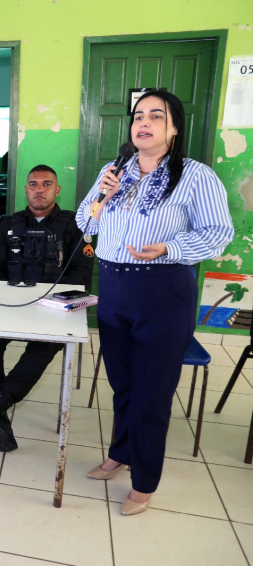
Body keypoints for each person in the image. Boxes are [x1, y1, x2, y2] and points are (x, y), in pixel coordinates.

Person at [76, 90, 233, 515]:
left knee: (152, 394)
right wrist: (103, 196)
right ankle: (120, 453)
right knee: (123, 385)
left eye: (156, 116)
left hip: (163, 293)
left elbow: (220, 233)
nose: (144, 123)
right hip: (113, 289)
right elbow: (82, 221)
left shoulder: (197, 176)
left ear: (174, 127)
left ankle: (144, 481)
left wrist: (168, 247)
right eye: (138, 116)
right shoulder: (114, 171)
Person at [0, 165, 94, 452]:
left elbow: (82, 275)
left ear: (57, 190)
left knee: (43, 347)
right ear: (26, 189)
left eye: (47, 184)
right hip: (12, 303)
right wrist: (14, 297)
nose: (39, 189)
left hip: (52, 309)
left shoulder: (74, 225)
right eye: (33, 184)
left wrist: (45, 298)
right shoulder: (8, 224)